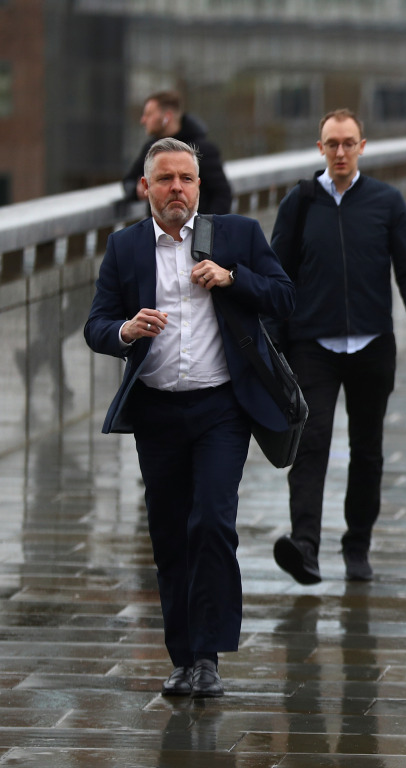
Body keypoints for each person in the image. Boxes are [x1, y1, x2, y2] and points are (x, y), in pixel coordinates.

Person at [84, 138, 295, 697]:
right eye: (165, 179)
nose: (176, 188)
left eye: (186, 179)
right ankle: (182, 657)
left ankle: (209, 657)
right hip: (156, 412)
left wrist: (232, 279)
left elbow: (284, 297)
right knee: (171, 533)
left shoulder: (236, 236)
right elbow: (96, 324)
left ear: (199, 186)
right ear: (146, 187)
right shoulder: (125, 247)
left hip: (222, 408)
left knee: (212, 523)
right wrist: (126, 331)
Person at [270, 109, 406, 585]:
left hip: (372, 345)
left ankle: (357, 544)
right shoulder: (298, 204)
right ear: (319, 148)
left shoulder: (385, 201)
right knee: (310, 444)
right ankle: (305, 547)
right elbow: (277, 276)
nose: (340, 152)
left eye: (348, 143)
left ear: (363, 146)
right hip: (311, 346)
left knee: (368, 450)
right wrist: (275, 344)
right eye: (331, 144)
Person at [121, 90, 232, 215]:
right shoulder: (151, 148)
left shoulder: (203, 149)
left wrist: (207, 229)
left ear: (167, 117)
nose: (143, 120)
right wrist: (137, 190)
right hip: (159, 232)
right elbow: (129, 180)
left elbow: (222, 194)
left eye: (149, 114)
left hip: (195, 230)